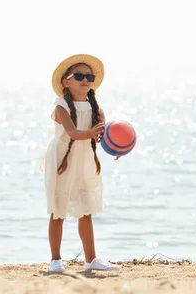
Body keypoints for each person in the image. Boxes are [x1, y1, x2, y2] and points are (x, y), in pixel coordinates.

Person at [42, 54, 120, 273]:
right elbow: (73, 133)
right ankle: (55, 259)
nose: (85, 79)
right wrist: (91, 133)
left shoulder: (95, 107)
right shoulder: (60, 107)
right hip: (62, 161)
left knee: (86, 211)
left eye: (89, 76)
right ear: (66, 82)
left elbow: (104, 136)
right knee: (58, 211)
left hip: (84, 161)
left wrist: (117, 147)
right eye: (79, 75)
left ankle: (91, 259)